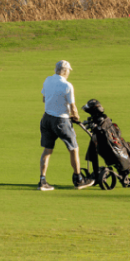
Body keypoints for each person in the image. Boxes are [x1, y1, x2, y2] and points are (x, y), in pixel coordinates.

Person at [37, 59, 92, 191]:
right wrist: (76, 116)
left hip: (46, 119)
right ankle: (78, 179)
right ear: (65, 71)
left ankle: (42, 181)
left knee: (47, 150)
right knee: (73, 148)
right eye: (68, 71)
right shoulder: (67, 85)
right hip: (61, 120)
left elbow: (44, 98)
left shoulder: (47, 80)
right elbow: (73, 106)